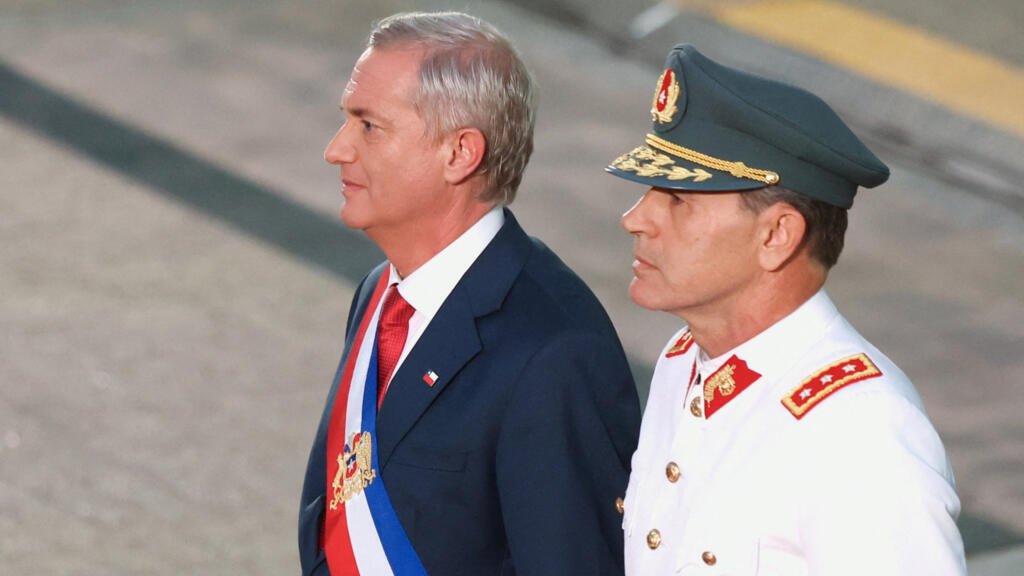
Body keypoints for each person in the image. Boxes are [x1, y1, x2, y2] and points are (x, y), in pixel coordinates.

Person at [298, 12, 641, 576]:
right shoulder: (381, 293)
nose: (336, 150)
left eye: (369, 126)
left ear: (461, 153)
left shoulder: (554, 351)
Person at [605, 45, 966, 575]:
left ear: (777, 235)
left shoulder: (858, 432)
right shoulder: (685, 362)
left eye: (678, 200)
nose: (634, 219)